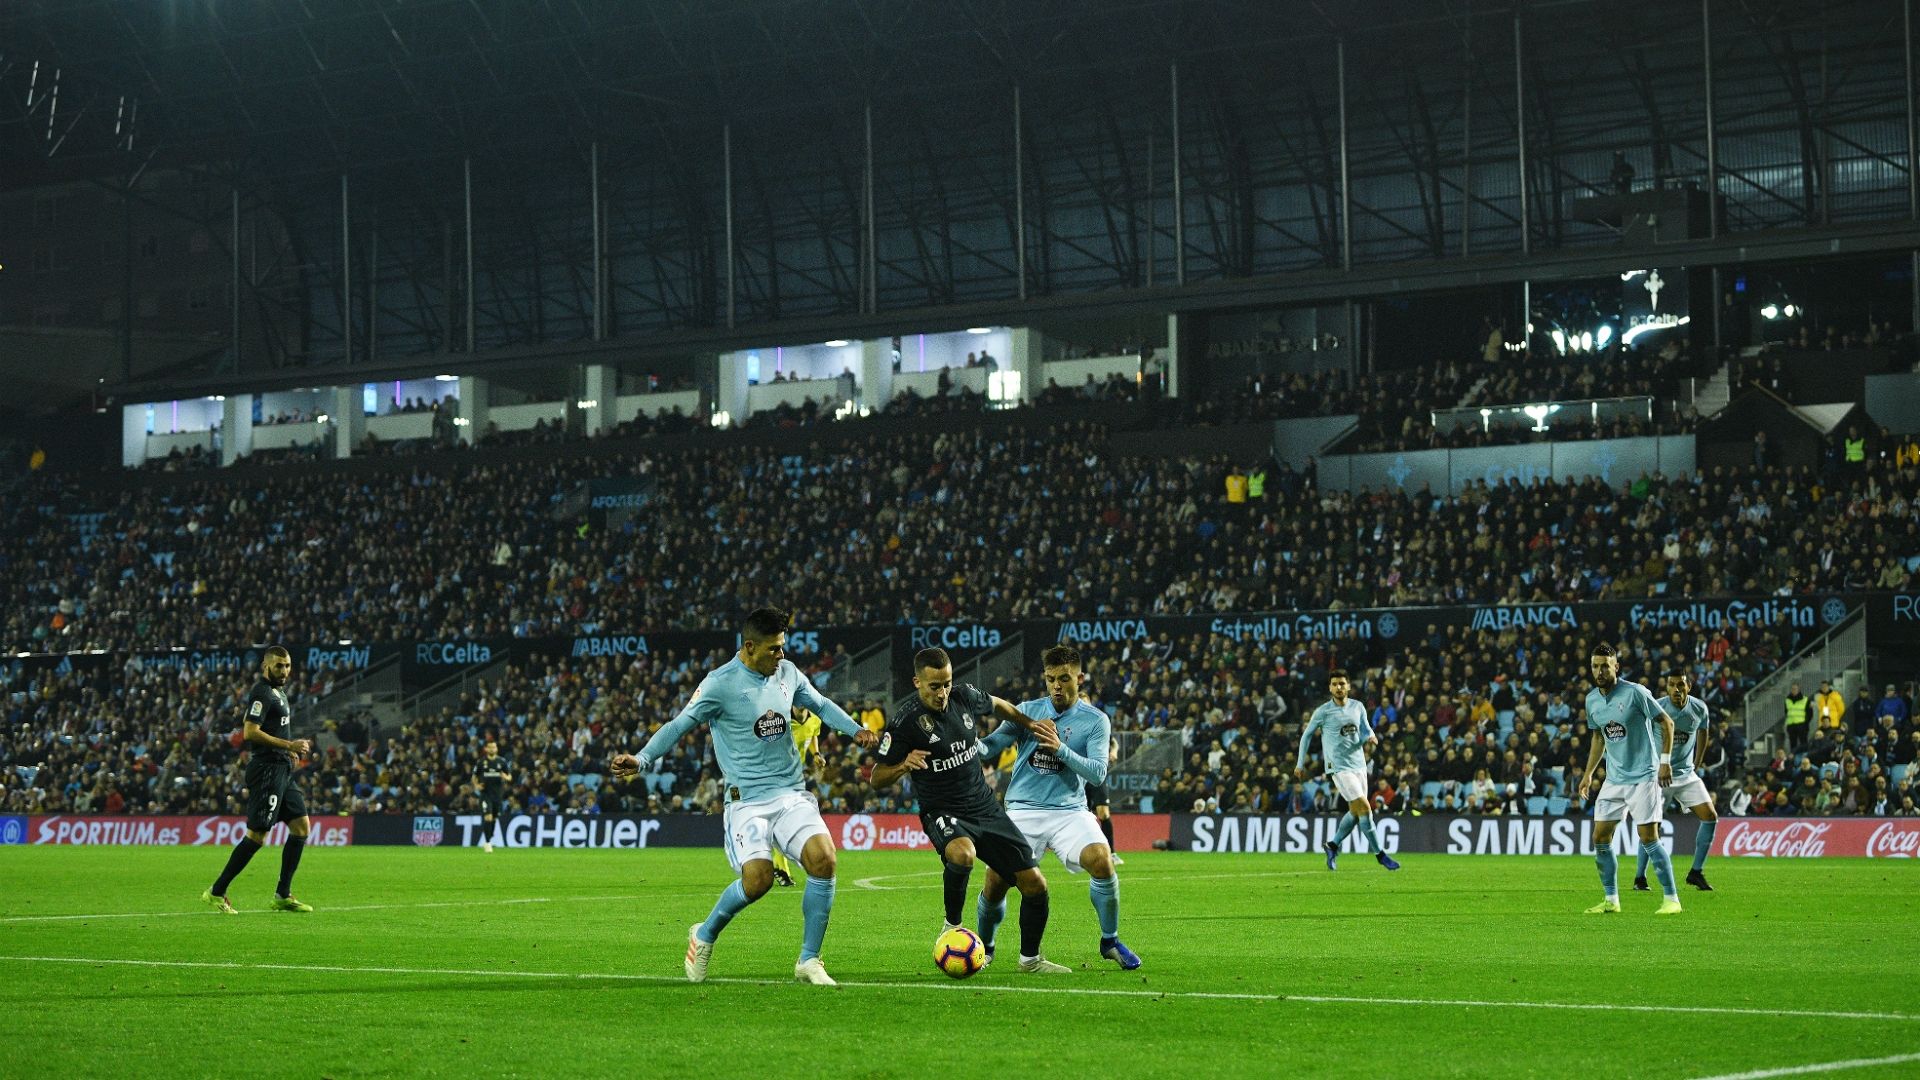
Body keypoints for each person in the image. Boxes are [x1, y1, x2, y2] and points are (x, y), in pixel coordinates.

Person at [609, 607, 879, 987]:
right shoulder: (720, 684)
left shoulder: (787, 673)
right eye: (773, 649)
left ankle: (808, 959)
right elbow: (679, 724)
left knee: (824, 860)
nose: (781, 656)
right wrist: (642, 758)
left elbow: (818, 704)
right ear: (750, 647)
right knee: (758, 880)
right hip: (746, 801)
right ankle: (703, 935)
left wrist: (855, 730)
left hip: (790, 793)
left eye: (783, 647)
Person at [870, 647, 1068, 974]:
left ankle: (1030, 961)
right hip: (943, 811)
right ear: (917, 682)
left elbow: (1000, 705)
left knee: (1036, 884)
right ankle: (952, 927)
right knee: (963, 855)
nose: (942, 692)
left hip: (985, 808)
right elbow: (877, 777)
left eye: (946, 683)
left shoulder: (963, 697)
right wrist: (904, 764)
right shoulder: (904, 722)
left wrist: (1029, 724)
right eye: (934, 686)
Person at [978, 645, 1141, 970]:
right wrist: (966, 743)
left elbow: (1097, 772)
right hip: (1023, 809)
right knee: (996, 879)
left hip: (1069, 811)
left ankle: (1110, 940)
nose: (1056, 685)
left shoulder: (1095, 720)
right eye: (1051, 678)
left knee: (1102, 860)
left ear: (1079, 678)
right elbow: (991, 747)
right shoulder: (1027, 710)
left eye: (1064, 678)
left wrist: (1061, 749)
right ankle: (985, 948)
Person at [200, 646, 316, 914]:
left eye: (287, 666)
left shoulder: (279, 692)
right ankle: (216, 892)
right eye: (278, 666)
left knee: (301, 827)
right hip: (267, 770)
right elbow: (250, 731)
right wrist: (288, 745)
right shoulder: (262, 692)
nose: (284, 671)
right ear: (266, 666)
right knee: (257, 835)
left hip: (282, 769)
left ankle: (282, 895)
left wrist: (289, 754)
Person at [1578, 645, 1678, 915]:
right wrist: (1588, 774)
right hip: (1614, 779)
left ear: (1616, 667)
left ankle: (1672, 899)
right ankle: (1611, 900)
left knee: (1648, 838)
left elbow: (1666, 722)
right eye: (1595, 666)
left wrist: (1665, 762)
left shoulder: (1635, 692)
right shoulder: (1592, 700)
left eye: (1605, 666)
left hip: (1644, 776)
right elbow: (1599, 736)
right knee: (1600, 836)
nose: (1600, 671)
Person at [1296, 669, 1401, 872]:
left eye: (1342, 683)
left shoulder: (1358, 706)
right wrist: (1300, 764)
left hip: (1359, 764)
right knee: (1365, 807)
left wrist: (1370, 736)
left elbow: (1365, 727)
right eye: (1334, 684)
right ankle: (1380, 855)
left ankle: (1332, 845)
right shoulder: (1323, 712)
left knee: (1354, 812)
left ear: (1349, 686)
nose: (1338, 687)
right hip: (1339, 767)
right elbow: (1307, 735)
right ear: (1330, 688)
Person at [1634, 673, 1718, 893]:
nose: (1676, 689)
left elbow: (1703, 732)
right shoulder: (1657, 707)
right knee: (1652, 826)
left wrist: (1698, 762)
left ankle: (1696, 872)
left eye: (1680, 684)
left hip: (1686, 775)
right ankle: (1640, 877)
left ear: (1688, 686)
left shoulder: (1699, 708)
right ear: (1667, 687)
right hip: (1658, 776)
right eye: (1671, 685)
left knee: (1710, 817)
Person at [770, 706, 823, 887]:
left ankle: (780, 867)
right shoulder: (781, 719)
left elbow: (813, 733)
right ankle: (780, 868)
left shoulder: (814, 719)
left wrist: (815, 753)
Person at [476, 738, 511, 853]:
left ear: (496, 749)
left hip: (498, 796)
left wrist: (506, 777)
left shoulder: (502, 762)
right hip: (485, 794)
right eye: (490, 747)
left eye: (494, 747)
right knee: (488, 817)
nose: (492, 749)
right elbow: (474, 777)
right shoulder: (481, 762)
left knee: (494, 819)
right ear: (486, 749)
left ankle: (489, 838)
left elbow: (509, 776)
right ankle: (487, 843)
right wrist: (477, 785)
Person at [1782, 682, 1810, 753]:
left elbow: (1810, 713)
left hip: (1802, 725)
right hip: (1791, 725)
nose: (1793, 690)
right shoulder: (1787, 700)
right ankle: (1793, 759)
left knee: (1803, 743)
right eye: (1792, 689)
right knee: (1792, 744)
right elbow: (1786, 712)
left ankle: (1804, 758)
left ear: (1799, 689)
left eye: (1795, 689)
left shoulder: (1805, 699)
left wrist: (1806, 723)